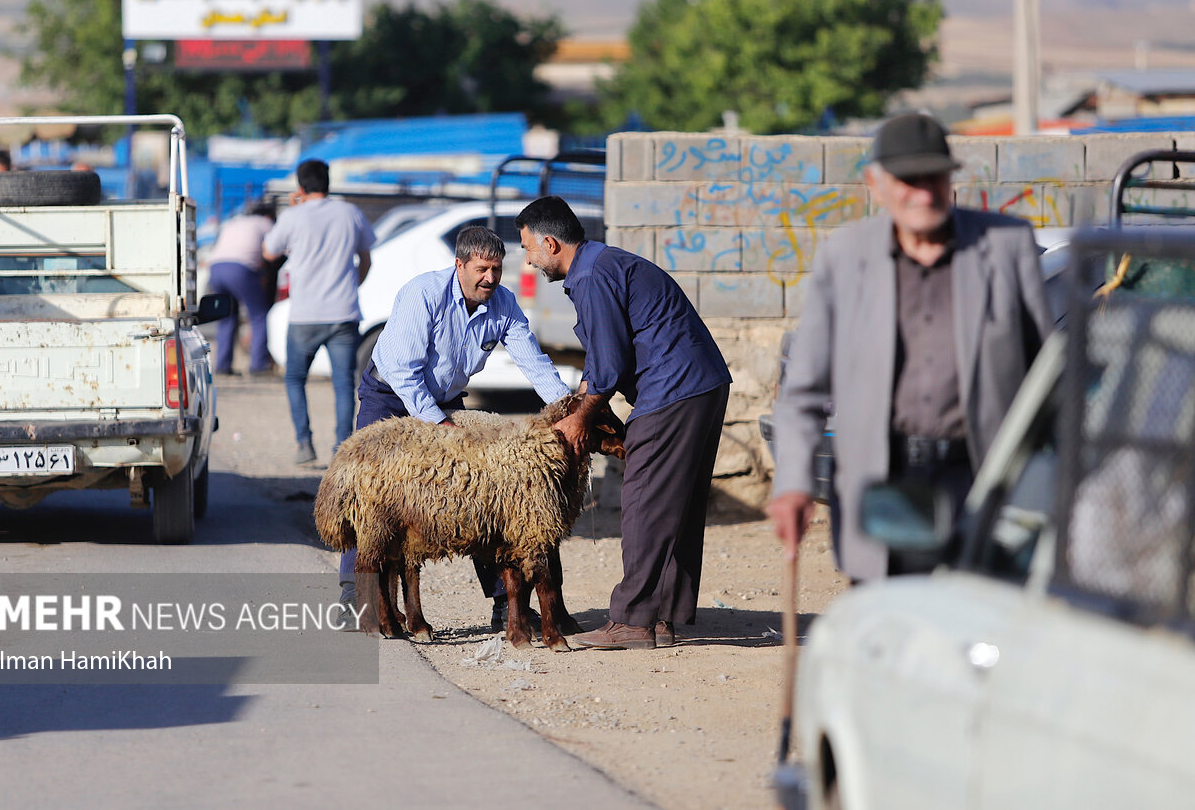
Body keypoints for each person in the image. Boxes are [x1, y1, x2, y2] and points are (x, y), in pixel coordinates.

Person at [769, 112, 1053, 581]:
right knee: (890, 620)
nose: (923, 192)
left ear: (951, 179)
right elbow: (803, 392)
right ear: (874, 184)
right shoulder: (845, 256)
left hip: (982, 475)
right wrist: (794, 483)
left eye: (934, 177)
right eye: (908, 179)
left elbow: (1048, 376)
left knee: (973, 624)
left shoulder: (1006, 246)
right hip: (883, 478)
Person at [518, 195, 732, 650]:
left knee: (644, 500)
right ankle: (662, 618)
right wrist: (580, 404)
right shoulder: (604, 265)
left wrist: (578, 421)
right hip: (701, 385)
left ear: (550, 243)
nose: (529, 261)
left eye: (529, 249)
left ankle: (632, 621)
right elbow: (605, 360)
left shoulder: (593, 275)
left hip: (673, 389)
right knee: (676, 503)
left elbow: (608, 367)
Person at [336, 226, 573, 631]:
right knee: (371, 493)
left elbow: (534, 363)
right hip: (391, 394)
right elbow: (403, 371)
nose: (490, 278)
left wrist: (566, 410)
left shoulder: (503, 304)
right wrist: (440, 426)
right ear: (459, 264)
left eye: (497, 269)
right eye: (482, 269)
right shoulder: (423, 294)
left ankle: (505, 603)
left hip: (446, 399)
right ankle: (354, 594)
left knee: (483, 491)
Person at [263, 159, 374, 465]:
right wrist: (353, 285)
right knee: (343, 383)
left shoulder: (293, 216)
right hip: (344, 312)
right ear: (328, 183)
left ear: (300, 186)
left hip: (305, 315)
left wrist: (292, 207)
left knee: (295, 379)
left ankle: (304, 444)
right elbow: (366, 259)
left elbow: (268, 251)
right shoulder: (350, 213)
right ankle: (341, 448)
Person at [206, 202, 277, 377]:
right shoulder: (266, 223)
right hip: (240, 268)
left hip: (215, 268)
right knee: (259, 315)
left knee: (227, 317)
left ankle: (222, 365)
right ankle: (259, 365)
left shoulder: (235, 222)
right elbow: (274, 250)